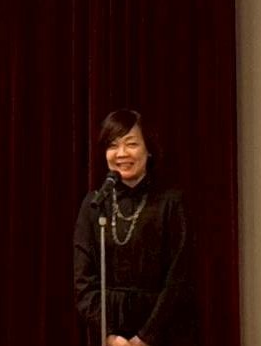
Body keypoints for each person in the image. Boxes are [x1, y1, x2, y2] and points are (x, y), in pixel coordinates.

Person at [74, 109, 196, 346]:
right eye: (113, 145)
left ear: (148, 149)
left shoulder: (171, 203)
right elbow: (83, 282)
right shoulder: (94, 204)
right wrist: (109, 334)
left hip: (163, 330)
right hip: (108, 331)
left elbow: (180, 277)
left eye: (131, 144)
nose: (121, 153)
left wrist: (145, 337)